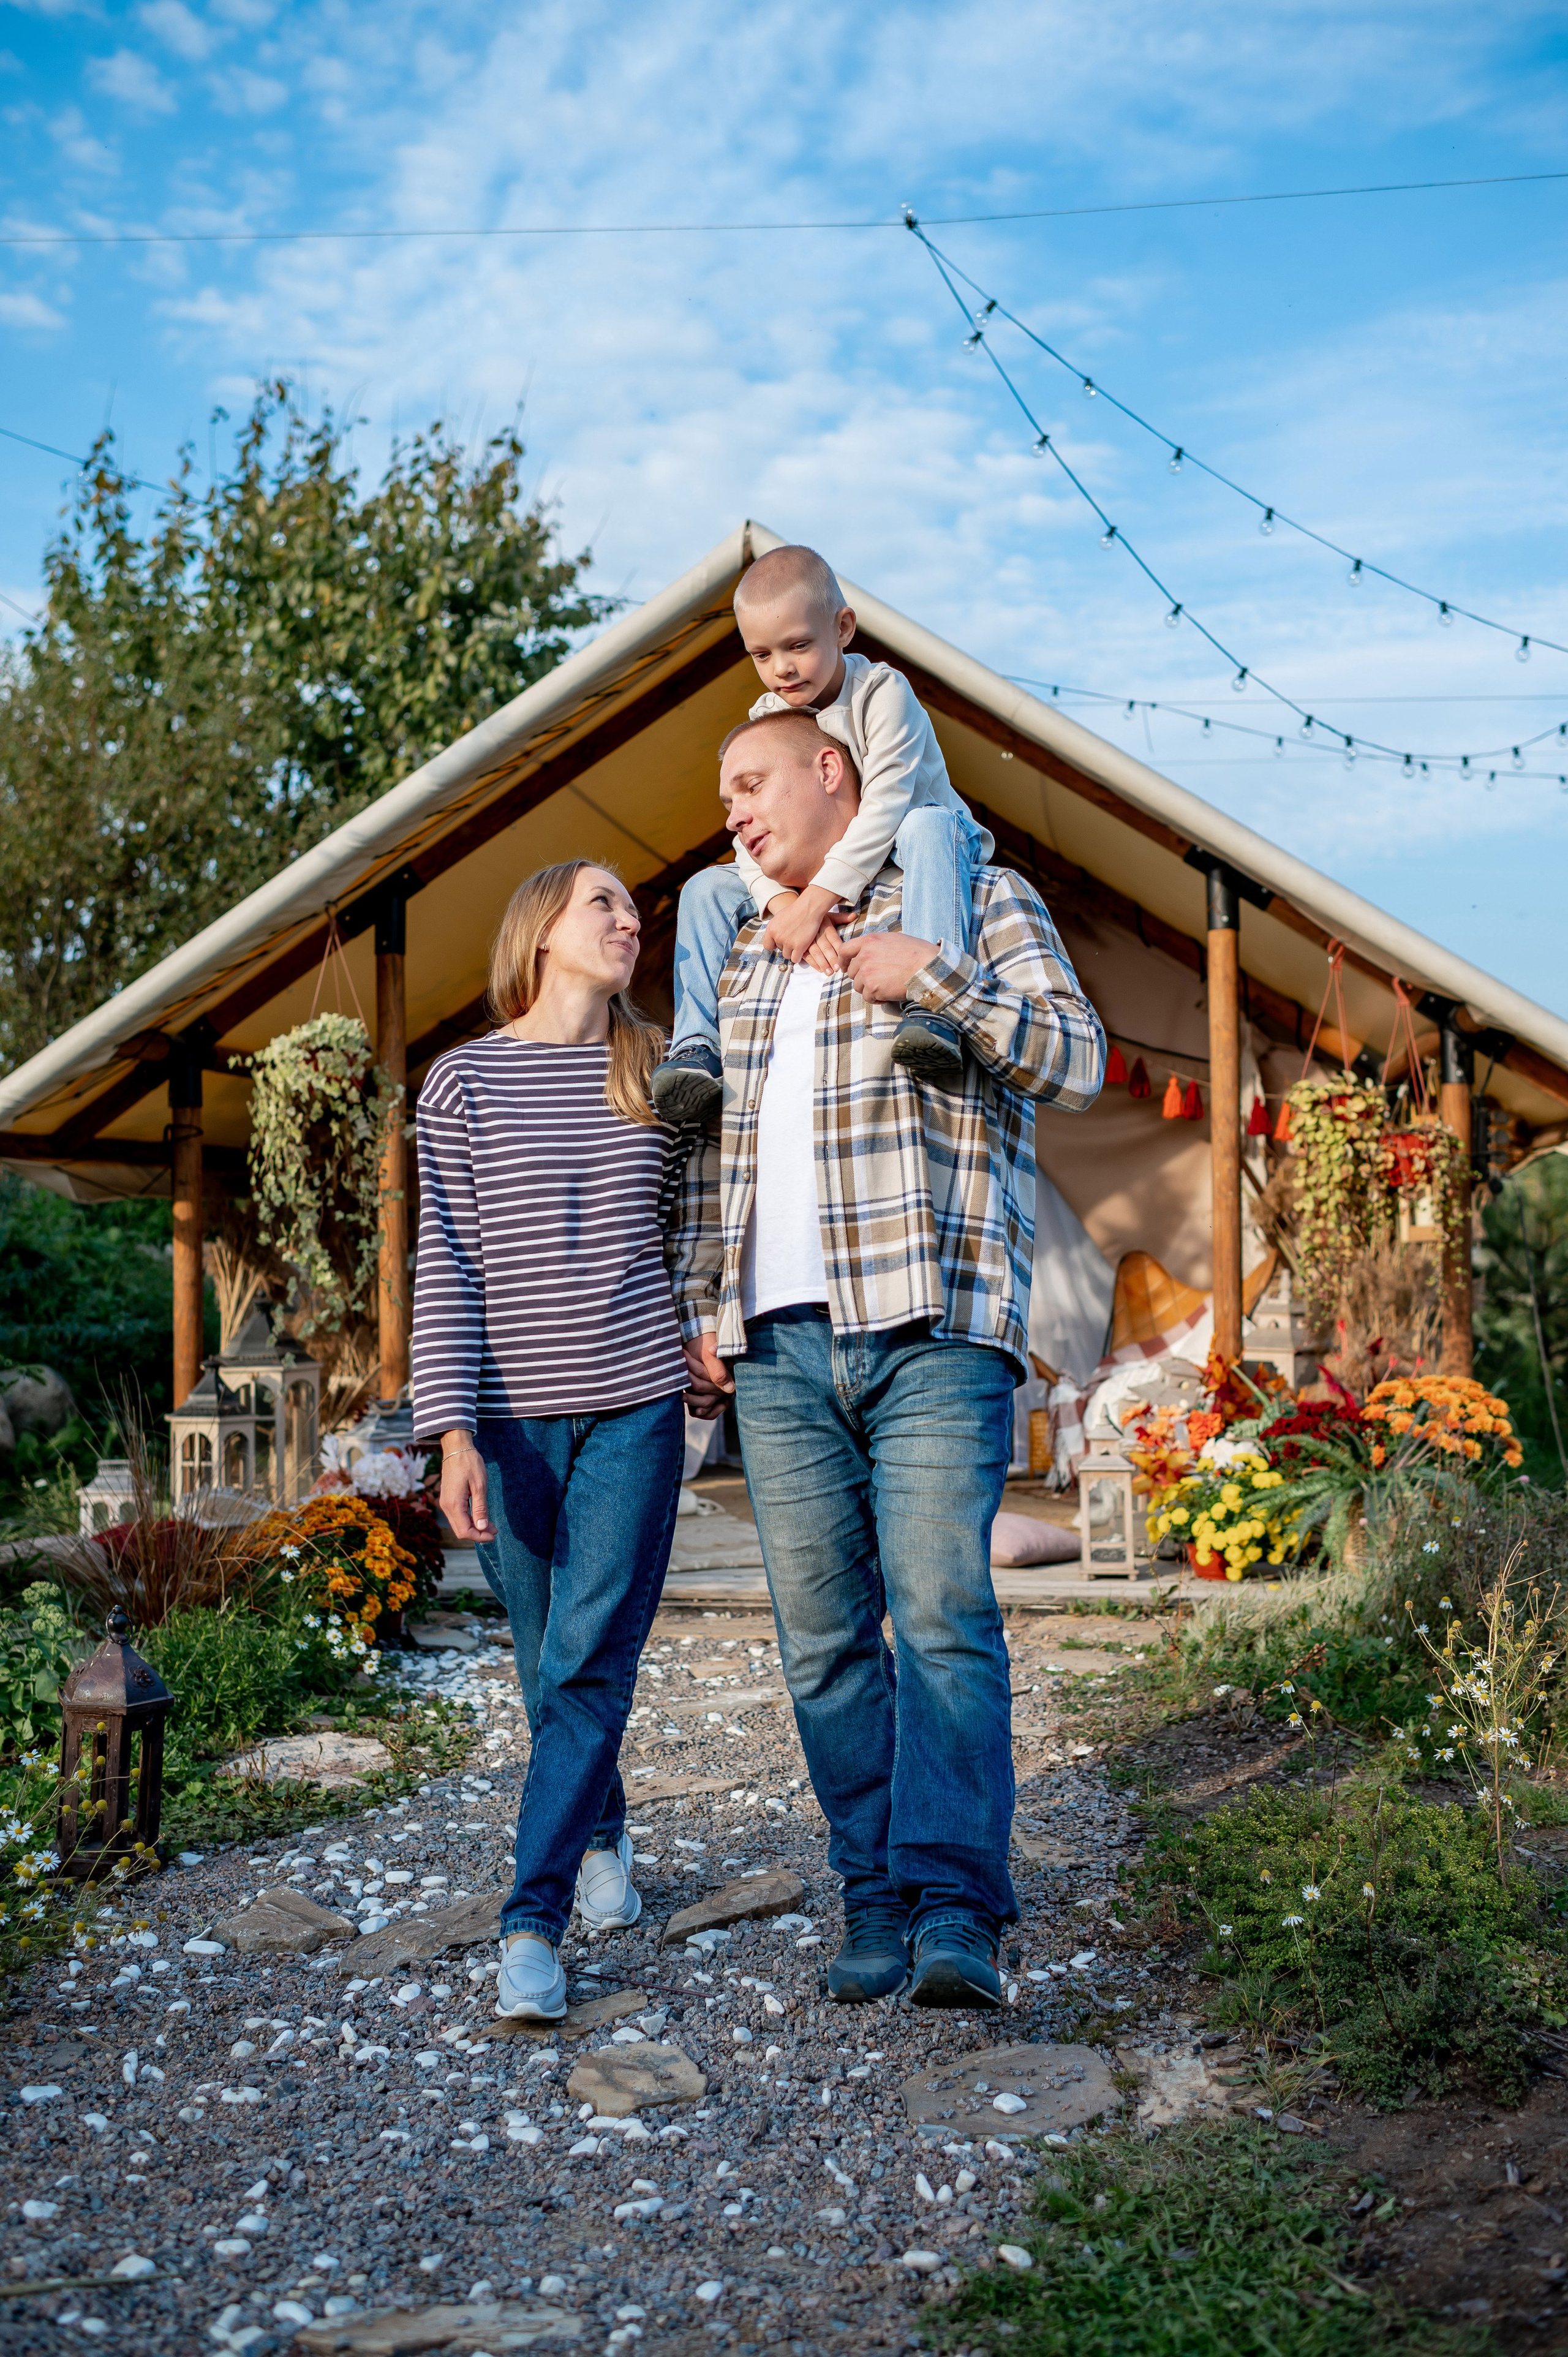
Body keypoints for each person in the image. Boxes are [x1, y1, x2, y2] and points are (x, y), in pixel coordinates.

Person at [675, 710, 1105, 2009]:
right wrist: (703, 1297)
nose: (734, 812)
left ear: (831, 772)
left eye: (749, 781)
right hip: (779, 1342)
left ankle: (955, 1908)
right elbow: (714, 1154)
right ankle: (871, 1890)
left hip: (933, 1321)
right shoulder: (744, 944)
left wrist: (936, 974)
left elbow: (1077, 1058)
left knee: (940, 1622)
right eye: (723, 794)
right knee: (819, 1644)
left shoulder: (971, 894)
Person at [412, 860, 697, 2024]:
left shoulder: (663, 1072)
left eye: (636, 910)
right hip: (514, 1419)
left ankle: (531, 1922)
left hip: (635, 1402)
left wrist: (708, 1335)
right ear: (540, 927)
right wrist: (450, 1429)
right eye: (606, 905)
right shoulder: (461, 1083)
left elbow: (694, 1232)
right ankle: (605, 1827)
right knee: (546, 1662)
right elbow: (450, 1264)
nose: (631, 922)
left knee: (588, 1658)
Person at [650, 543, 992, 1123]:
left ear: (844, 628)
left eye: (799, 646)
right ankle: (695, 1046)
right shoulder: (769, 720)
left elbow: (886, 802)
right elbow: (746, 832)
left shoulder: (883, 693)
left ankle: (932, 1006)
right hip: (829, 871)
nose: (782, 667)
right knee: (706, 888)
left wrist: (816, 902)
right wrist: (783, 903)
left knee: (924, 822)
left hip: (922, 843)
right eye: (761, 654)